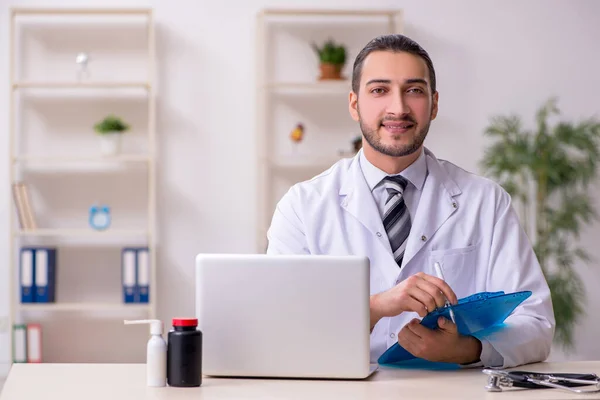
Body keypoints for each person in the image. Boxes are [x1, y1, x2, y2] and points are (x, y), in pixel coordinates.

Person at [266, 34, 555, 368]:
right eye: (379, 90)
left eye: (414, 90)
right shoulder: (302, 207)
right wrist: (375, 306)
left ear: (433, 104)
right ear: (354, 103)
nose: (398, 108)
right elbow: (280, 325)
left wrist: (466, 349)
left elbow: (536, 323)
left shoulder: (486, 202)